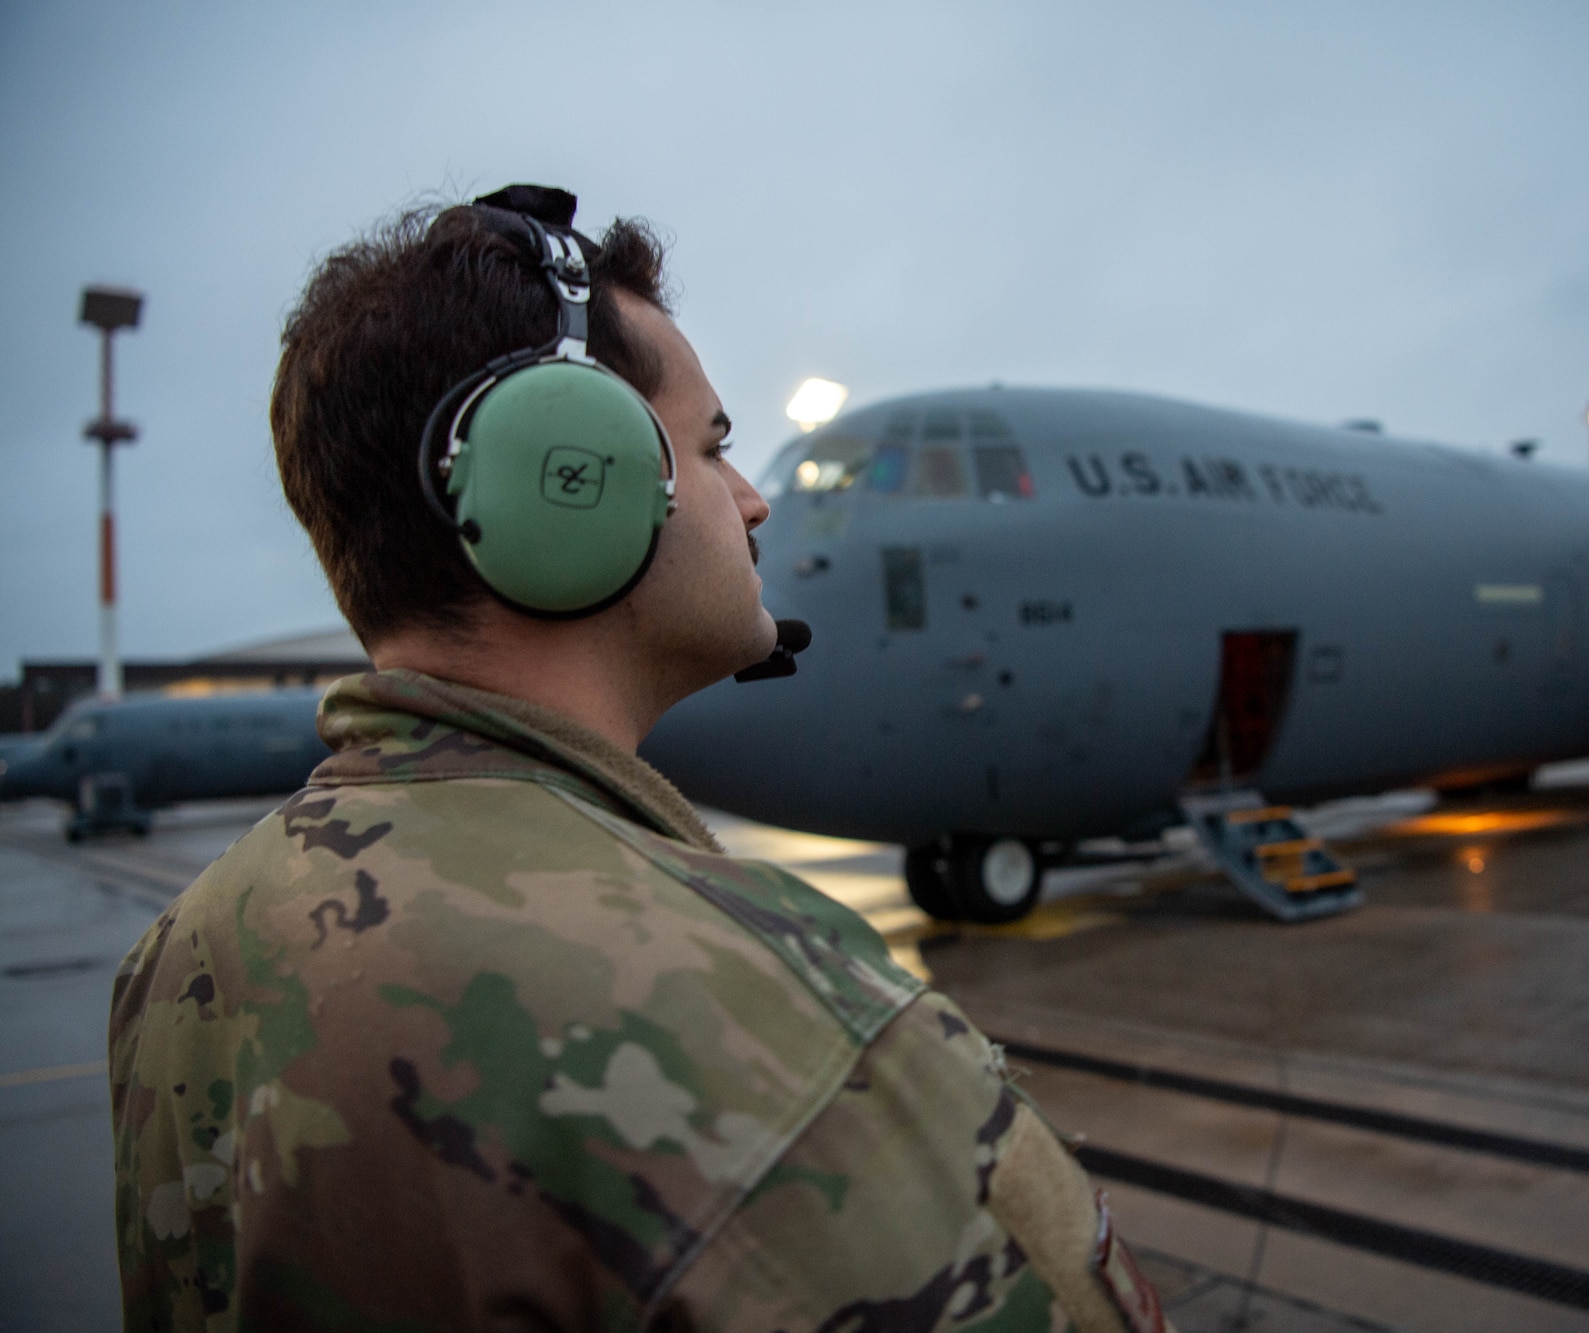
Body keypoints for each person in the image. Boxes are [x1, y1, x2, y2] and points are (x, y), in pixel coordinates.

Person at [107, 186, 1166, 1333]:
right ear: (575, 477)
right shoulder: (757, 1011)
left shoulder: (186, 948)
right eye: (712, 445)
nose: (754, 500)